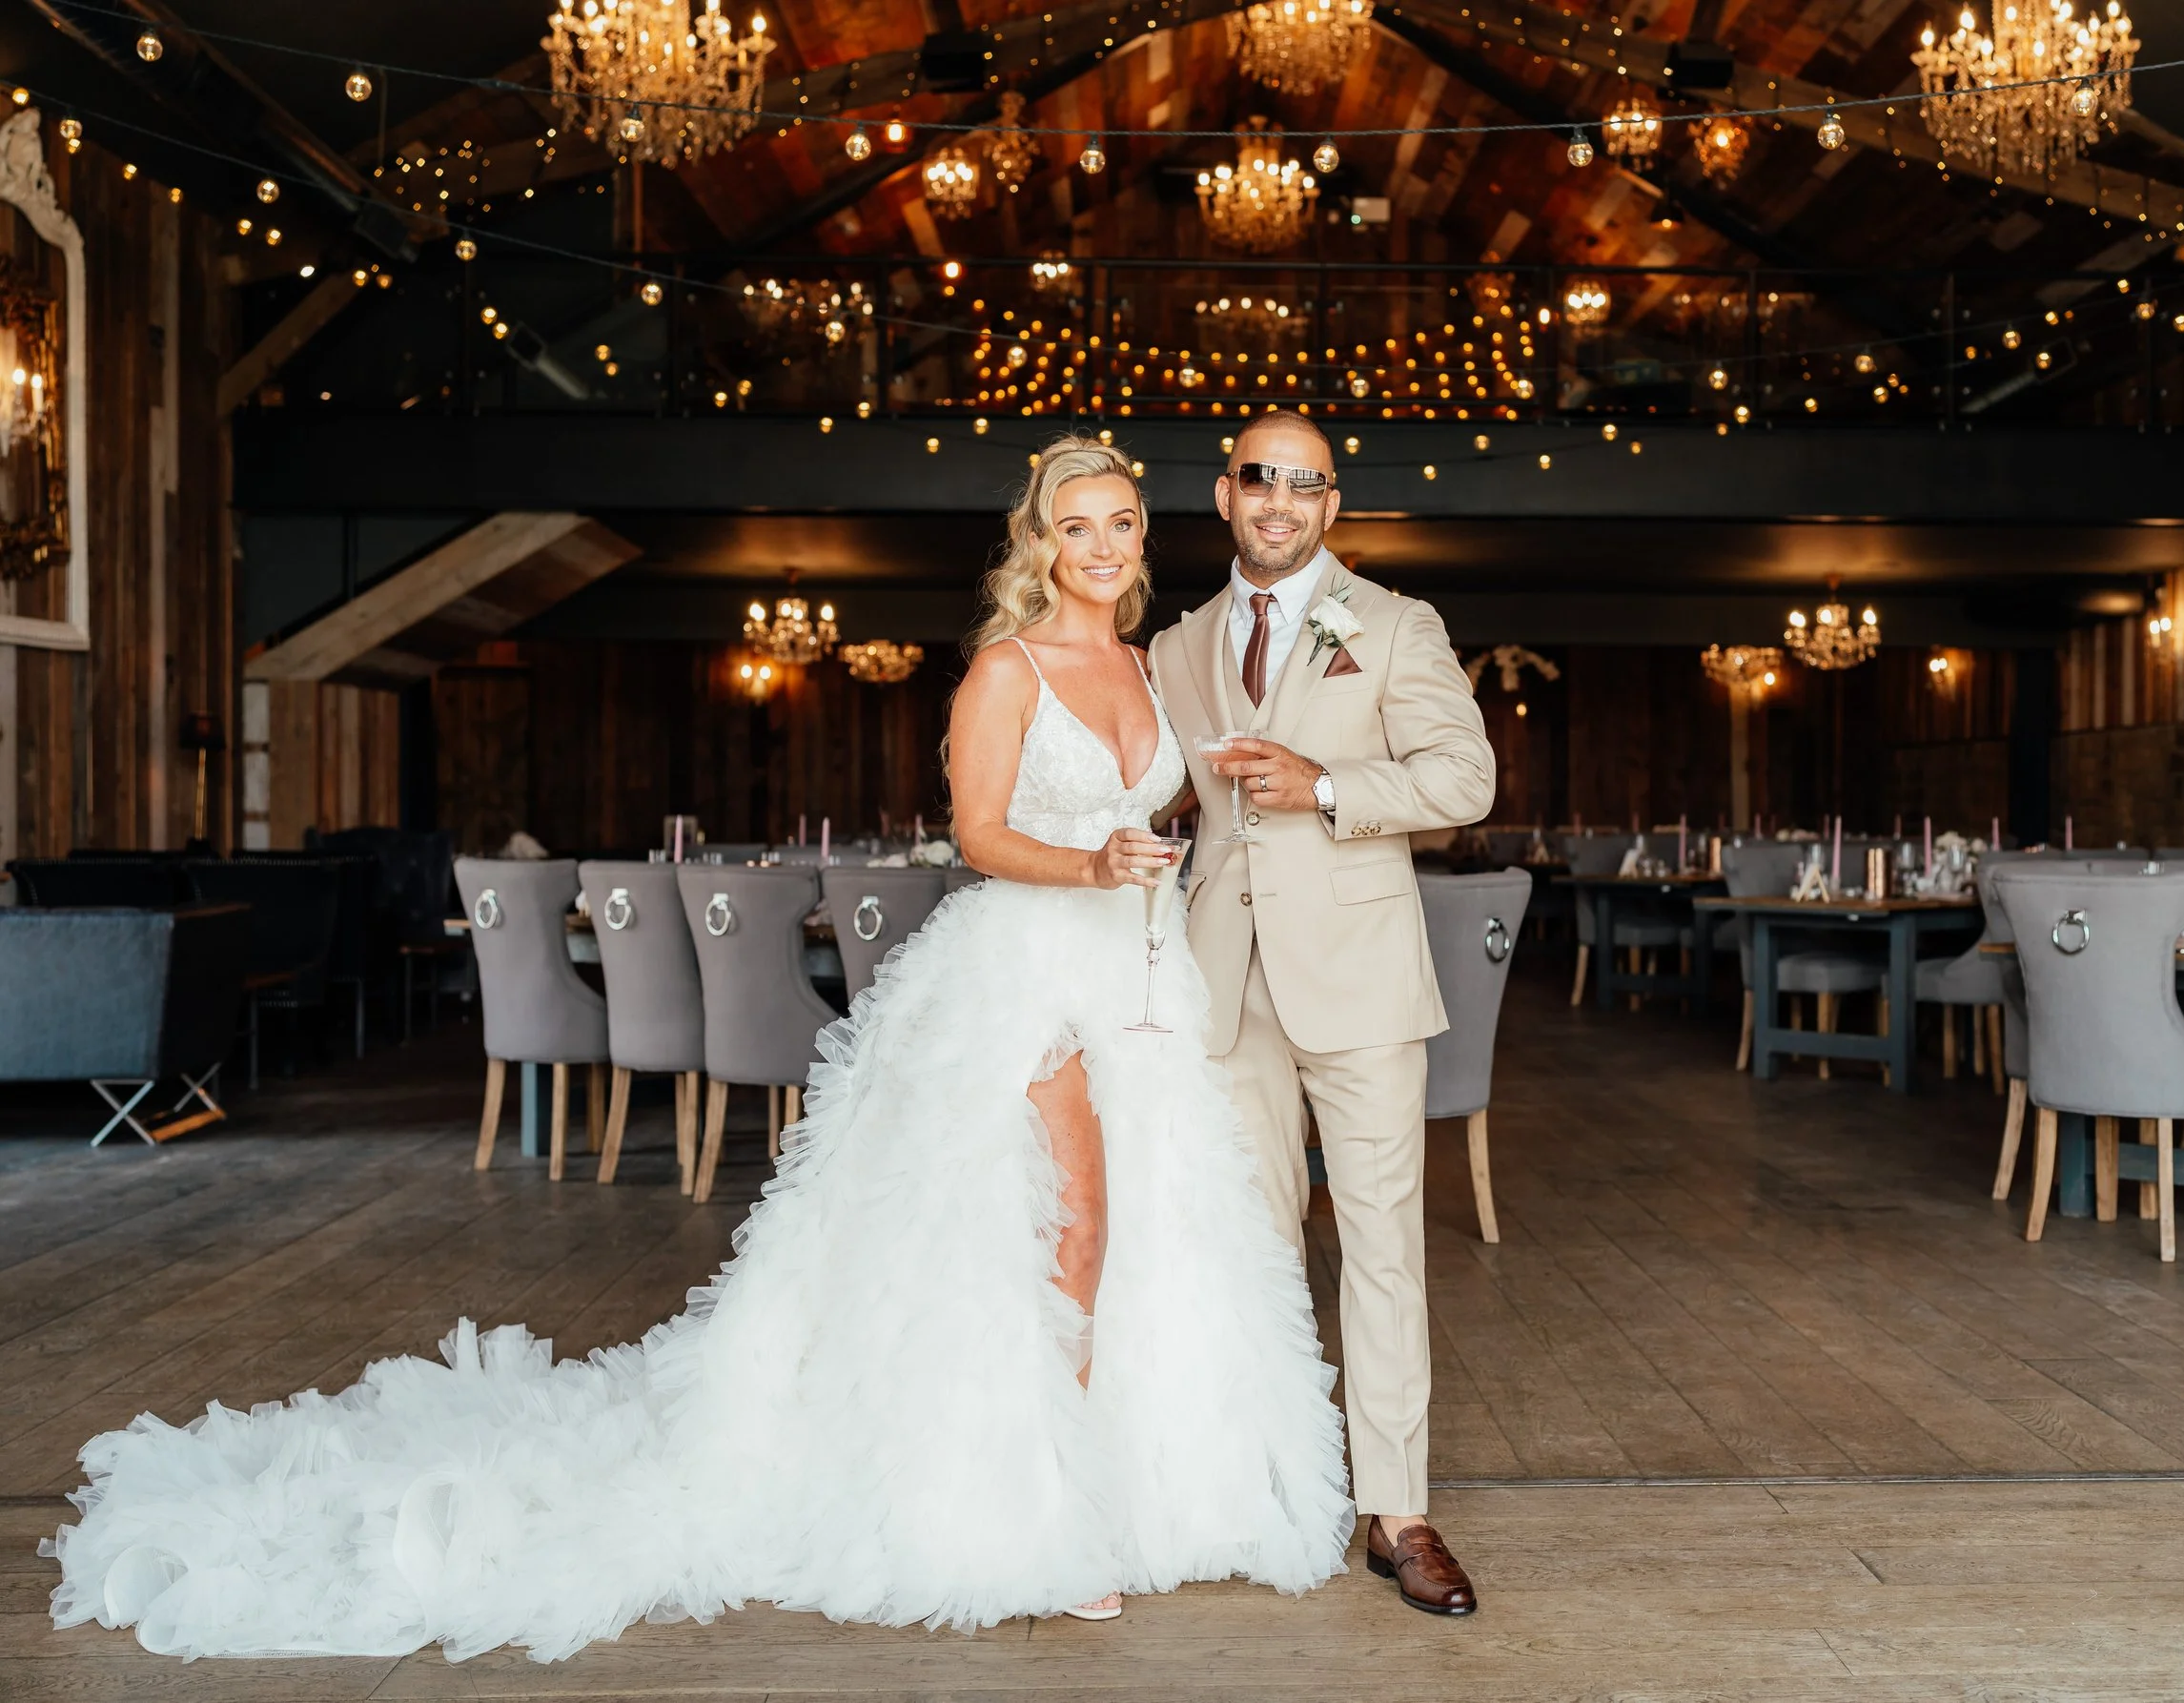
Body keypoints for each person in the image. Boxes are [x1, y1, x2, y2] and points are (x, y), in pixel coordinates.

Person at [43, 438, 1353, 1662]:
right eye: (1078, 526)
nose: (1105, 544)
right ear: (1041, 543)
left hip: (1139, 975)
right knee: (1073, 1224)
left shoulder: (1145, 667)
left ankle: (1130, 1474)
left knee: (1163, 1227)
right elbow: (977, 836)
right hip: (1024, 972)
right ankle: (1046, 1505)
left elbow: (1164, 793)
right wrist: (1093, 856)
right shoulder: (1007, 668)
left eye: (1121, 522)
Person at [1149, 412, 1497, 1615]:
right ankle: (1265, 1485)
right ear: (1225, 494)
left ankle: (1396, 1511)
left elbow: (1465, 779)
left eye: (1306, 485)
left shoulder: (1398, 625)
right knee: (1245, 1247)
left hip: (1357, 978)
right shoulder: (1174, 644)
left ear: (1332, 506)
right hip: (1220, 982)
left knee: (1382, 1246)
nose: (1280, 503)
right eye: (1261, 481)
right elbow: (1155, 794)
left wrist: (1328, 784)